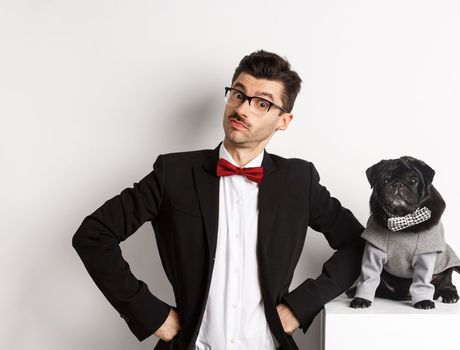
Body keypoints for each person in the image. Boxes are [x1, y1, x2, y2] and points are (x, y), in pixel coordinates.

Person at [72, 50, 365, 350]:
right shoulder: (173, 174)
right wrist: (151, 313)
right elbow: (94, 235)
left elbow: (358, 243)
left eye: (261, 103)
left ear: (284, 120)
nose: (243, 109)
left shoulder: (299, 181)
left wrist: (300, 307)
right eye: (238, 94)